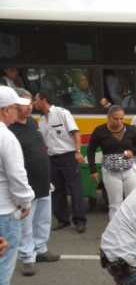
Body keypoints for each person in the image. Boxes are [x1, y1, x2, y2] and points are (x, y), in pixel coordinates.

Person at [9, 89, 58, 276]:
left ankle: (41, 249)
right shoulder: (9, 128)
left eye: (31, 103)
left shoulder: (32, 122)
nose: (29, 107)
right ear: (14, 105)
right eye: (25, 104)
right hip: (26, 184)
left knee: (43, 219)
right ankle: (27, 257)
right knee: (26, 223)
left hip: (43, 180)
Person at [0, 86, 35, 285]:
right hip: (4, 208)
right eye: (14, 107)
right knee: (5, 256)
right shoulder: (6, 137)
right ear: (4, 111)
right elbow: (16, 175)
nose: (18, 110)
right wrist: (26, 201)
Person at [34, 91, 87, 233]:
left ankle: (80, 221)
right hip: (52, 158)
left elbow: (76, 133)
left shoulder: (62, 113)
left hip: (68, 156)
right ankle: (63, 220)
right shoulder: (41, 120)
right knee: (57, 191)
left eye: (36, 100)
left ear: (43, 100)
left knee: (75, 189)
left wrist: (77, 151)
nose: (34, 103)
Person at [87, 105, 136, 219]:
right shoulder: (99, 131)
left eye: (121, 118)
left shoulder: (130, 129)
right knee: (115, 204)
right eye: (115, 119)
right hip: (111, 173)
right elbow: (90, 150)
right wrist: (93, 170)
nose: (119, 122)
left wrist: (133, 152)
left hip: (130, 170)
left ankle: (131, 228)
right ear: (108, 117)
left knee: (133, 201)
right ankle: (116, 231)